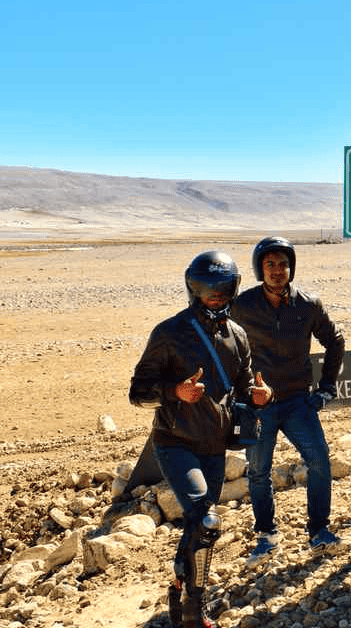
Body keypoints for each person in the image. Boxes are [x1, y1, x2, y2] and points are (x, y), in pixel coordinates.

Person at [130, 251, 273, 628]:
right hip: (175, 442)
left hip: (215, 445)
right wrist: (174, 392)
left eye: (224, 287)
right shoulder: (169, 333)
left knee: (200, 526)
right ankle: (195, 613)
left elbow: (242, 388)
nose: (217, 295)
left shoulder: (237, 335)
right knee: (207, 521)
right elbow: (138, 391)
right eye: (208, 288)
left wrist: (261, 396)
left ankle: (179, 593)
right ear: (193, 289)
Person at [230, 236, 347, 566]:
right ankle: (267, 537)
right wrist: (238, 390)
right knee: (258, 472)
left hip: (298, 402)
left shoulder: (308, 304)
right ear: (259, 269)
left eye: (283, 264)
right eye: (270, 264)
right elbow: (222, 340)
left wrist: (326, 388)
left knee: (319, 462)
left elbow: (335, 341)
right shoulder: (243, 304)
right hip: (259, 405)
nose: (278, 270)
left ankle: (319, 532)